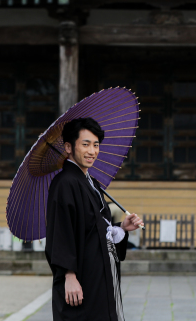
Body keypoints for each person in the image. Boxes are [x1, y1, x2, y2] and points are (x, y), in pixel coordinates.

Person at [45, 117, 144, 321]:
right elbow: (61, 232)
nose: (92, 151)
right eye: (85, 144)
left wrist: (121, 228)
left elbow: (95, 227)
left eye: (96, 145)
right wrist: (68, 275)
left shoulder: (91, 182)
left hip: (99, 274)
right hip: (80, 277)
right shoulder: (64, 183)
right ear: (68, 147)